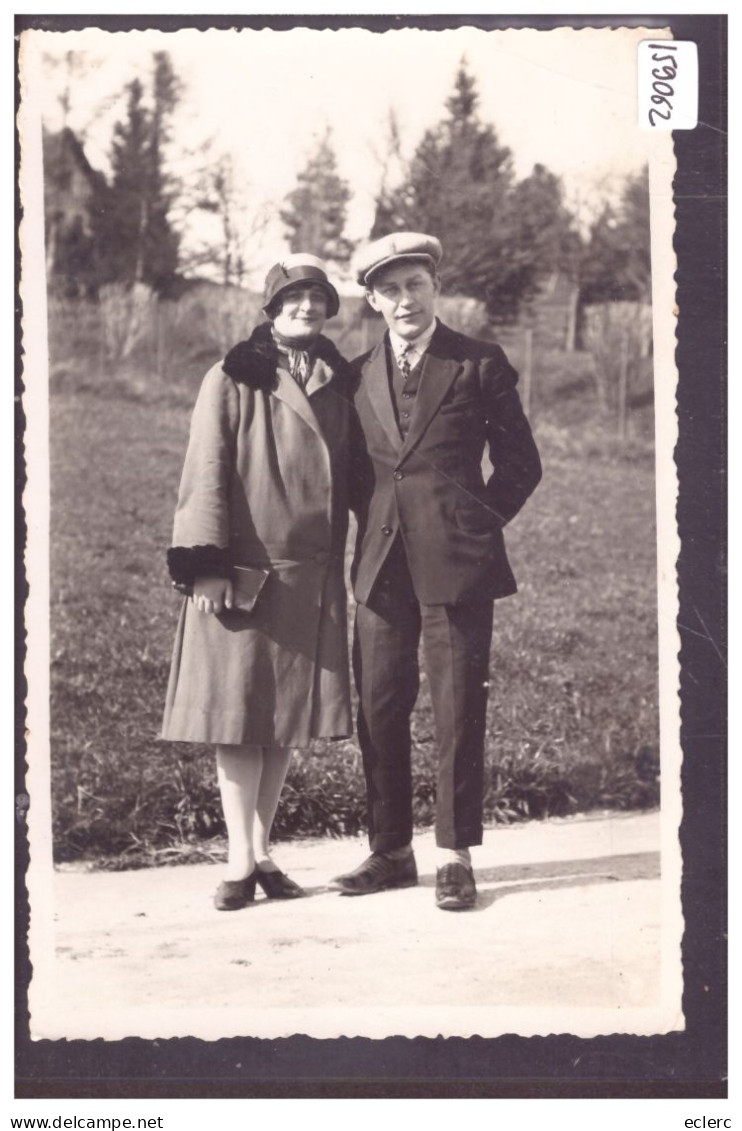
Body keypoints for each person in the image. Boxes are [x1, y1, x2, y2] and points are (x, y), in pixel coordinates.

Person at [331, 232, 542, 910]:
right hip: (381, 566)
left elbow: (520, 465)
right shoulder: (356, 373)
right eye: (389, 290)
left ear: (434, 287)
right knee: (380, 706)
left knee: (457, 708)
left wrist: (476, 527)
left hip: (458, 564)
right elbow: (356, 473)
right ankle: (391, 848)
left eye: (414, 284)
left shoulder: (479, 362)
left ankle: (454, 854)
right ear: (371, 301)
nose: (404, 300)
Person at [161, 254, 353, 910]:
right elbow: (205, 469)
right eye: (293, 298)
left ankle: (262, 851)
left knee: (281, 721)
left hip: (309, 576)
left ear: (330, 308)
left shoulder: (338, 378)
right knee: (239, 719)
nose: (307, 308)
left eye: (318, 298)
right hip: (243, 573)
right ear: (270, 309)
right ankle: (238, 861)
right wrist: (205, 564)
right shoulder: (232, 373)